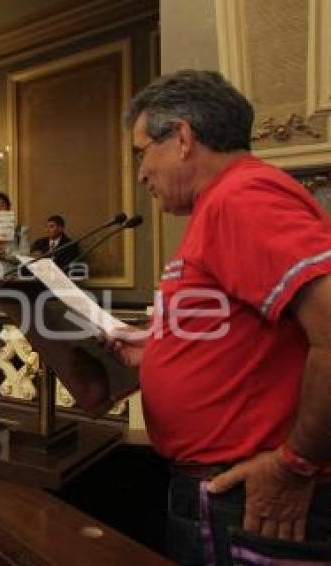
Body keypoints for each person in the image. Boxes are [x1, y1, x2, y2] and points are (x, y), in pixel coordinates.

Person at [107, 70, 331, 563]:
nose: (141, 172)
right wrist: (161, 345)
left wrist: (294, 464)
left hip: (248, 495)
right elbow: (247, 330)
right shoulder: (220, 205)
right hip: (219, 487)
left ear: (183, 138)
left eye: (142, 151)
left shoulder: (242, 199)